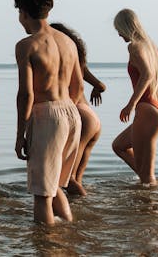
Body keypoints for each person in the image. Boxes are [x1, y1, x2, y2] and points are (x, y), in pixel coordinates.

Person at [13, 0, 81, 225]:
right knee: (54, 186)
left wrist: (20, 134)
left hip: (47, 115)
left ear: (23, 12)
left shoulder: (27, 45)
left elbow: (26, 95)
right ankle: (67, 234)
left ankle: (46, 245)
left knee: (42, 194)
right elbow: (79, 88)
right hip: (72, 113)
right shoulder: (68, 42)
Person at [111, 8, 158, 185]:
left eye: (118, 29)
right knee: (118, 146)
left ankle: (150, 206)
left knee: (147, 176)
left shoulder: (134, 47)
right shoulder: (152, 47)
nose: (118, 34)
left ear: (125, 27)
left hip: (148, 110)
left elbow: (147, 74)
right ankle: (146, 181)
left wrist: (131, 104)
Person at [50, 23, 106, 196]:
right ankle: (81, 209)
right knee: (76, 180)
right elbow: (101, 85)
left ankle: (83, 213)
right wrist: (96, 89)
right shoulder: (78, 62)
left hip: (80, 116)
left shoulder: (59, 63)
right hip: (93, 120)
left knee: (68, 180)